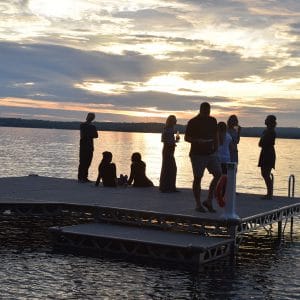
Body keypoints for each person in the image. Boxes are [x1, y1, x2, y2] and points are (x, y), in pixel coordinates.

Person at [185, 102, 222, 213]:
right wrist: (197, 140)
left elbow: (215, 134)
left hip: (211, 153)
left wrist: (217, 146)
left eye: (209, 111)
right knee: (198, 178)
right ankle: (198, 204)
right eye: (205, 111)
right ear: (201, 110)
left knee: (218, 173)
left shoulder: (212, 120)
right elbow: (186, 137)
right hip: (197, 154)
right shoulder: (193, 122)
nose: (207, 113)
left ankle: (209, 200)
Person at [258, 115, 277, 199]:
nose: (265, 120)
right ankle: (269, 193)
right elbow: (260, 143)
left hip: (268, 153)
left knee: (266, 173)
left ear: (270, 121)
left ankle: (270, 193)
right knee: (264, 173)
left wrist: (262, 142)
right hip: (265, 152)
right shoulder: (266, 131)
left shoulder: (271, 131)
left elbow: (264, 143)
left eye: (266, 119)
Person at [159, 115, 178, 193]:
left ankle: (167, 187)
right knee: (171, 168)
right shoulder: (167, 129)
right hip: (168, 150)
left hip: (169, 150)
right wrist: (172, 143)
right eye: (175, 120)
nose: (176, 121)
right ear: (171, 121)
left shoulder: (170, 129)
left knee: (168, 168)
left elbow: (168, 140)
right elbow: (164, 140)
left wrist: (174, 142)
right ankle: (168, 187)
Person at [78, 112, 98, 183]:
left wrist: (89, 134)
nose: (91, 118)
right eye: (90, 117)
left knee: (88, 162)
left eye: (92, 117)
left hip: (89, 147)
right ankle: (81, 177)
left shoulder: (93, 126)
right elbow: (85, 135)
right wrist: (90, 134)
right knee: (83, 162)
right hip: (84, 146)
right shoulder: (83, 125)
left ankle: (84, 177)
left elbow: (96, 135)